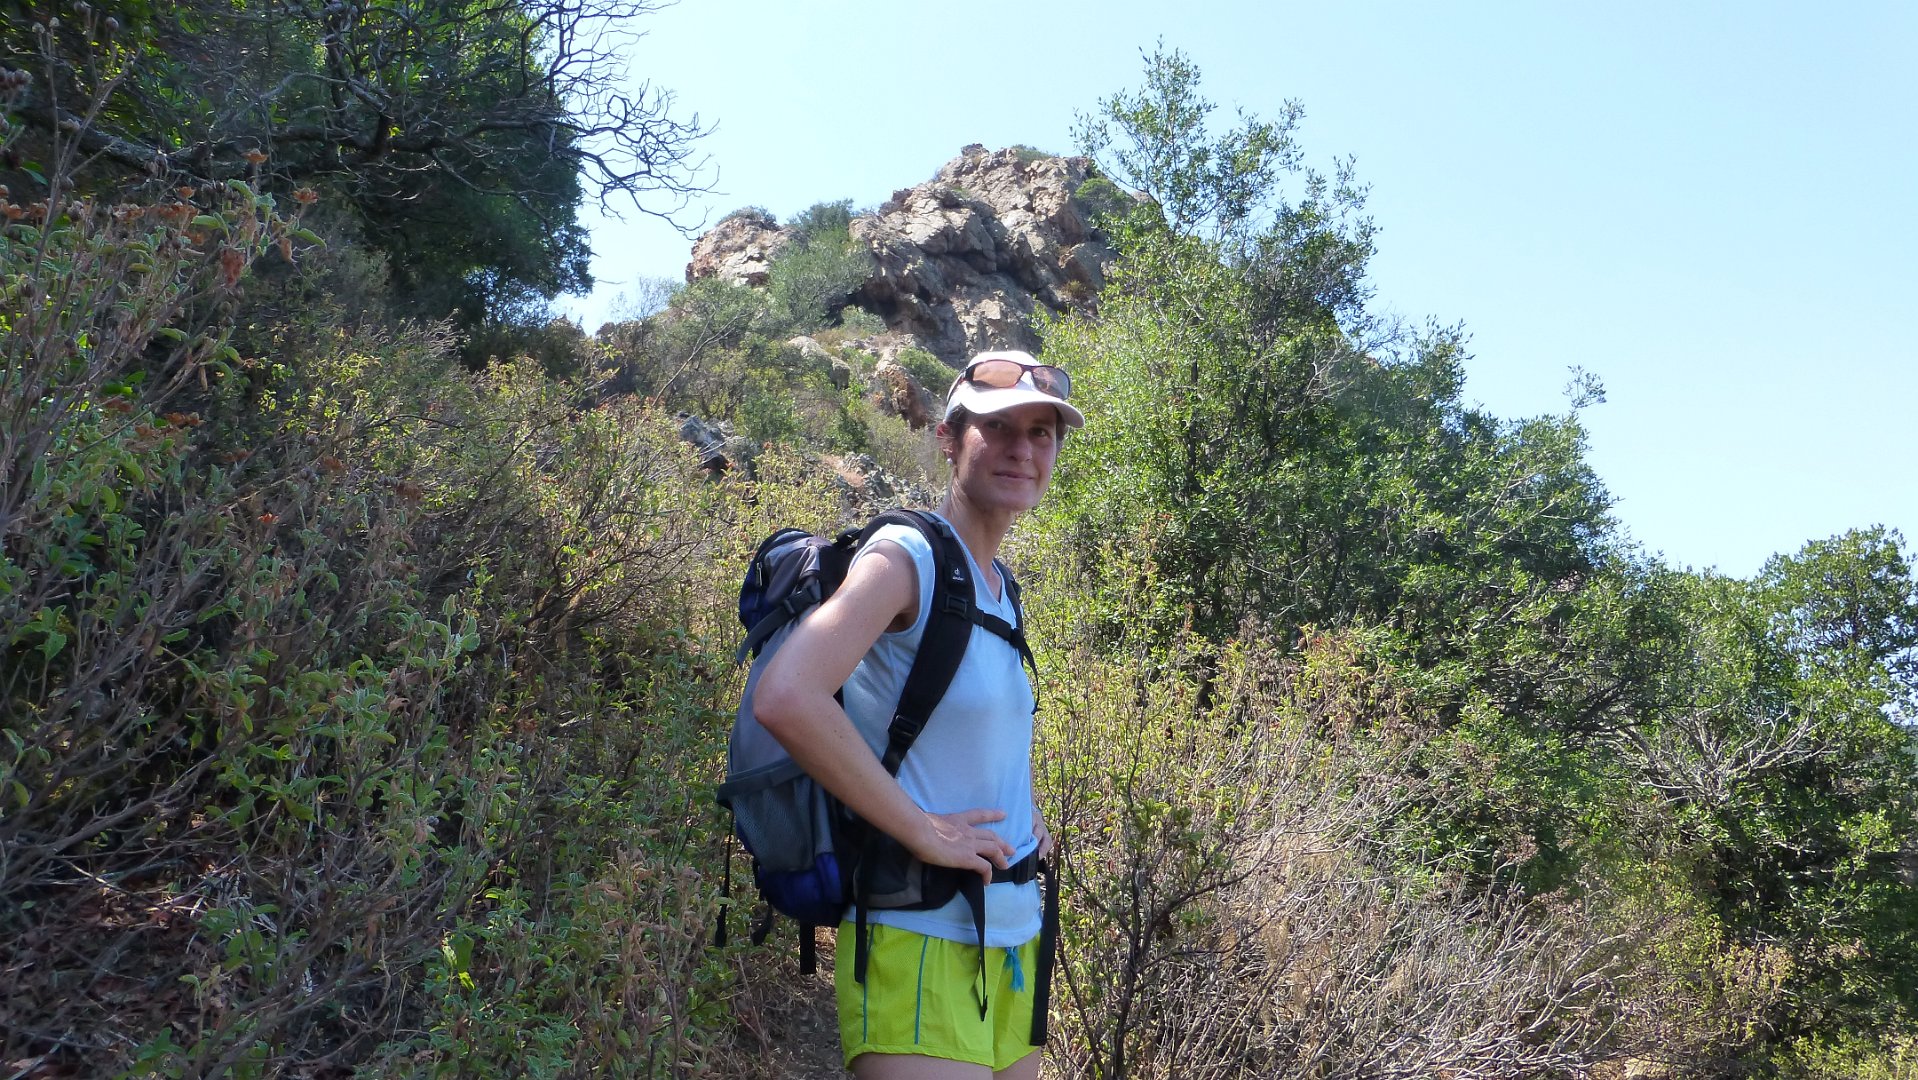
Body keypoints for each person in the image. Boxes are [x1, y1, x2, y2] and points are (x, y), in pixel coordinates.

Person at [753, 349, 1083, 1079]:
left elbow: (972, 733)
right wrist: (921, 828)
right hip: (918, 935)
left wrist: (1026, 811)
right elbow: (787, 695)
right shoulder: (907, 558)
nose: (1022, 450)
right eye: (999, 428)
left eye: (1041, 432)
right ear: (948, 438)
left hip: (1014, 939)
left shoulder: (999, 587)